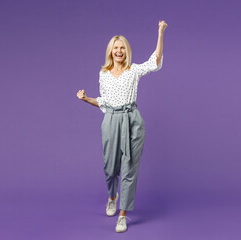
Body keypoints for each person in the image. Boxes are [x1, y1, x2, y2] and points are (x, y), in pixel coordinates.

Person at [77, 20, 168, 233]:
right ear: (110, 52)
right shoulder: (103, 74)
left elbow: (154, 61)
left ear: (127, 52)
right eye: (115, 48)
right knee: (110, 168)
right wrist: (86, 99)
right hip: (111, 119)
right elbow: (104, 101)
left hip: (132, 121)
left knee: (129, 169)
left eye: (122, 48)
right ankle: (112, 196)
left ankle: (123, 214)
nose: (119, 51)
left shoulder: (133, 71)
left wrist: (160, 32)